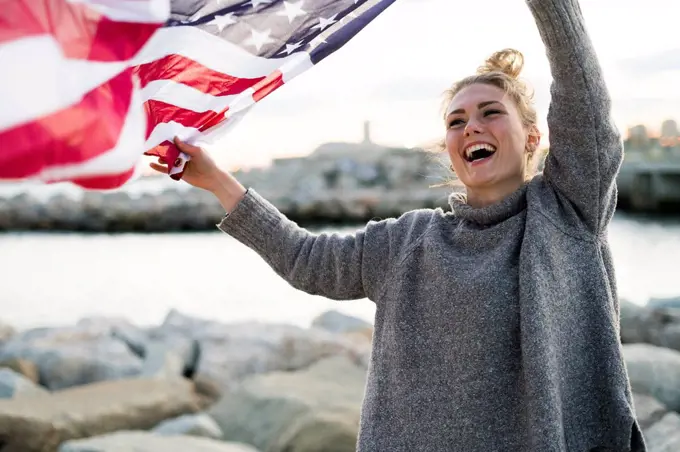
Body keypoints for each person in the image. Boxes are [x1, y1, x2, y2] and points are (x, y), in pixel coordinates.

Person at [151, 0, 645, 450]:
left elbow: (584, 99)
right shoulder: (408, 241)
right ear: (450, 148)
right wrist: (218, 181)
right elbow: (307, 259)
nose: (471, 126)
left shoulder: (567, 214)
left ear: (533, 136)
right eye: (456, 121)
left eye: (491, 113)